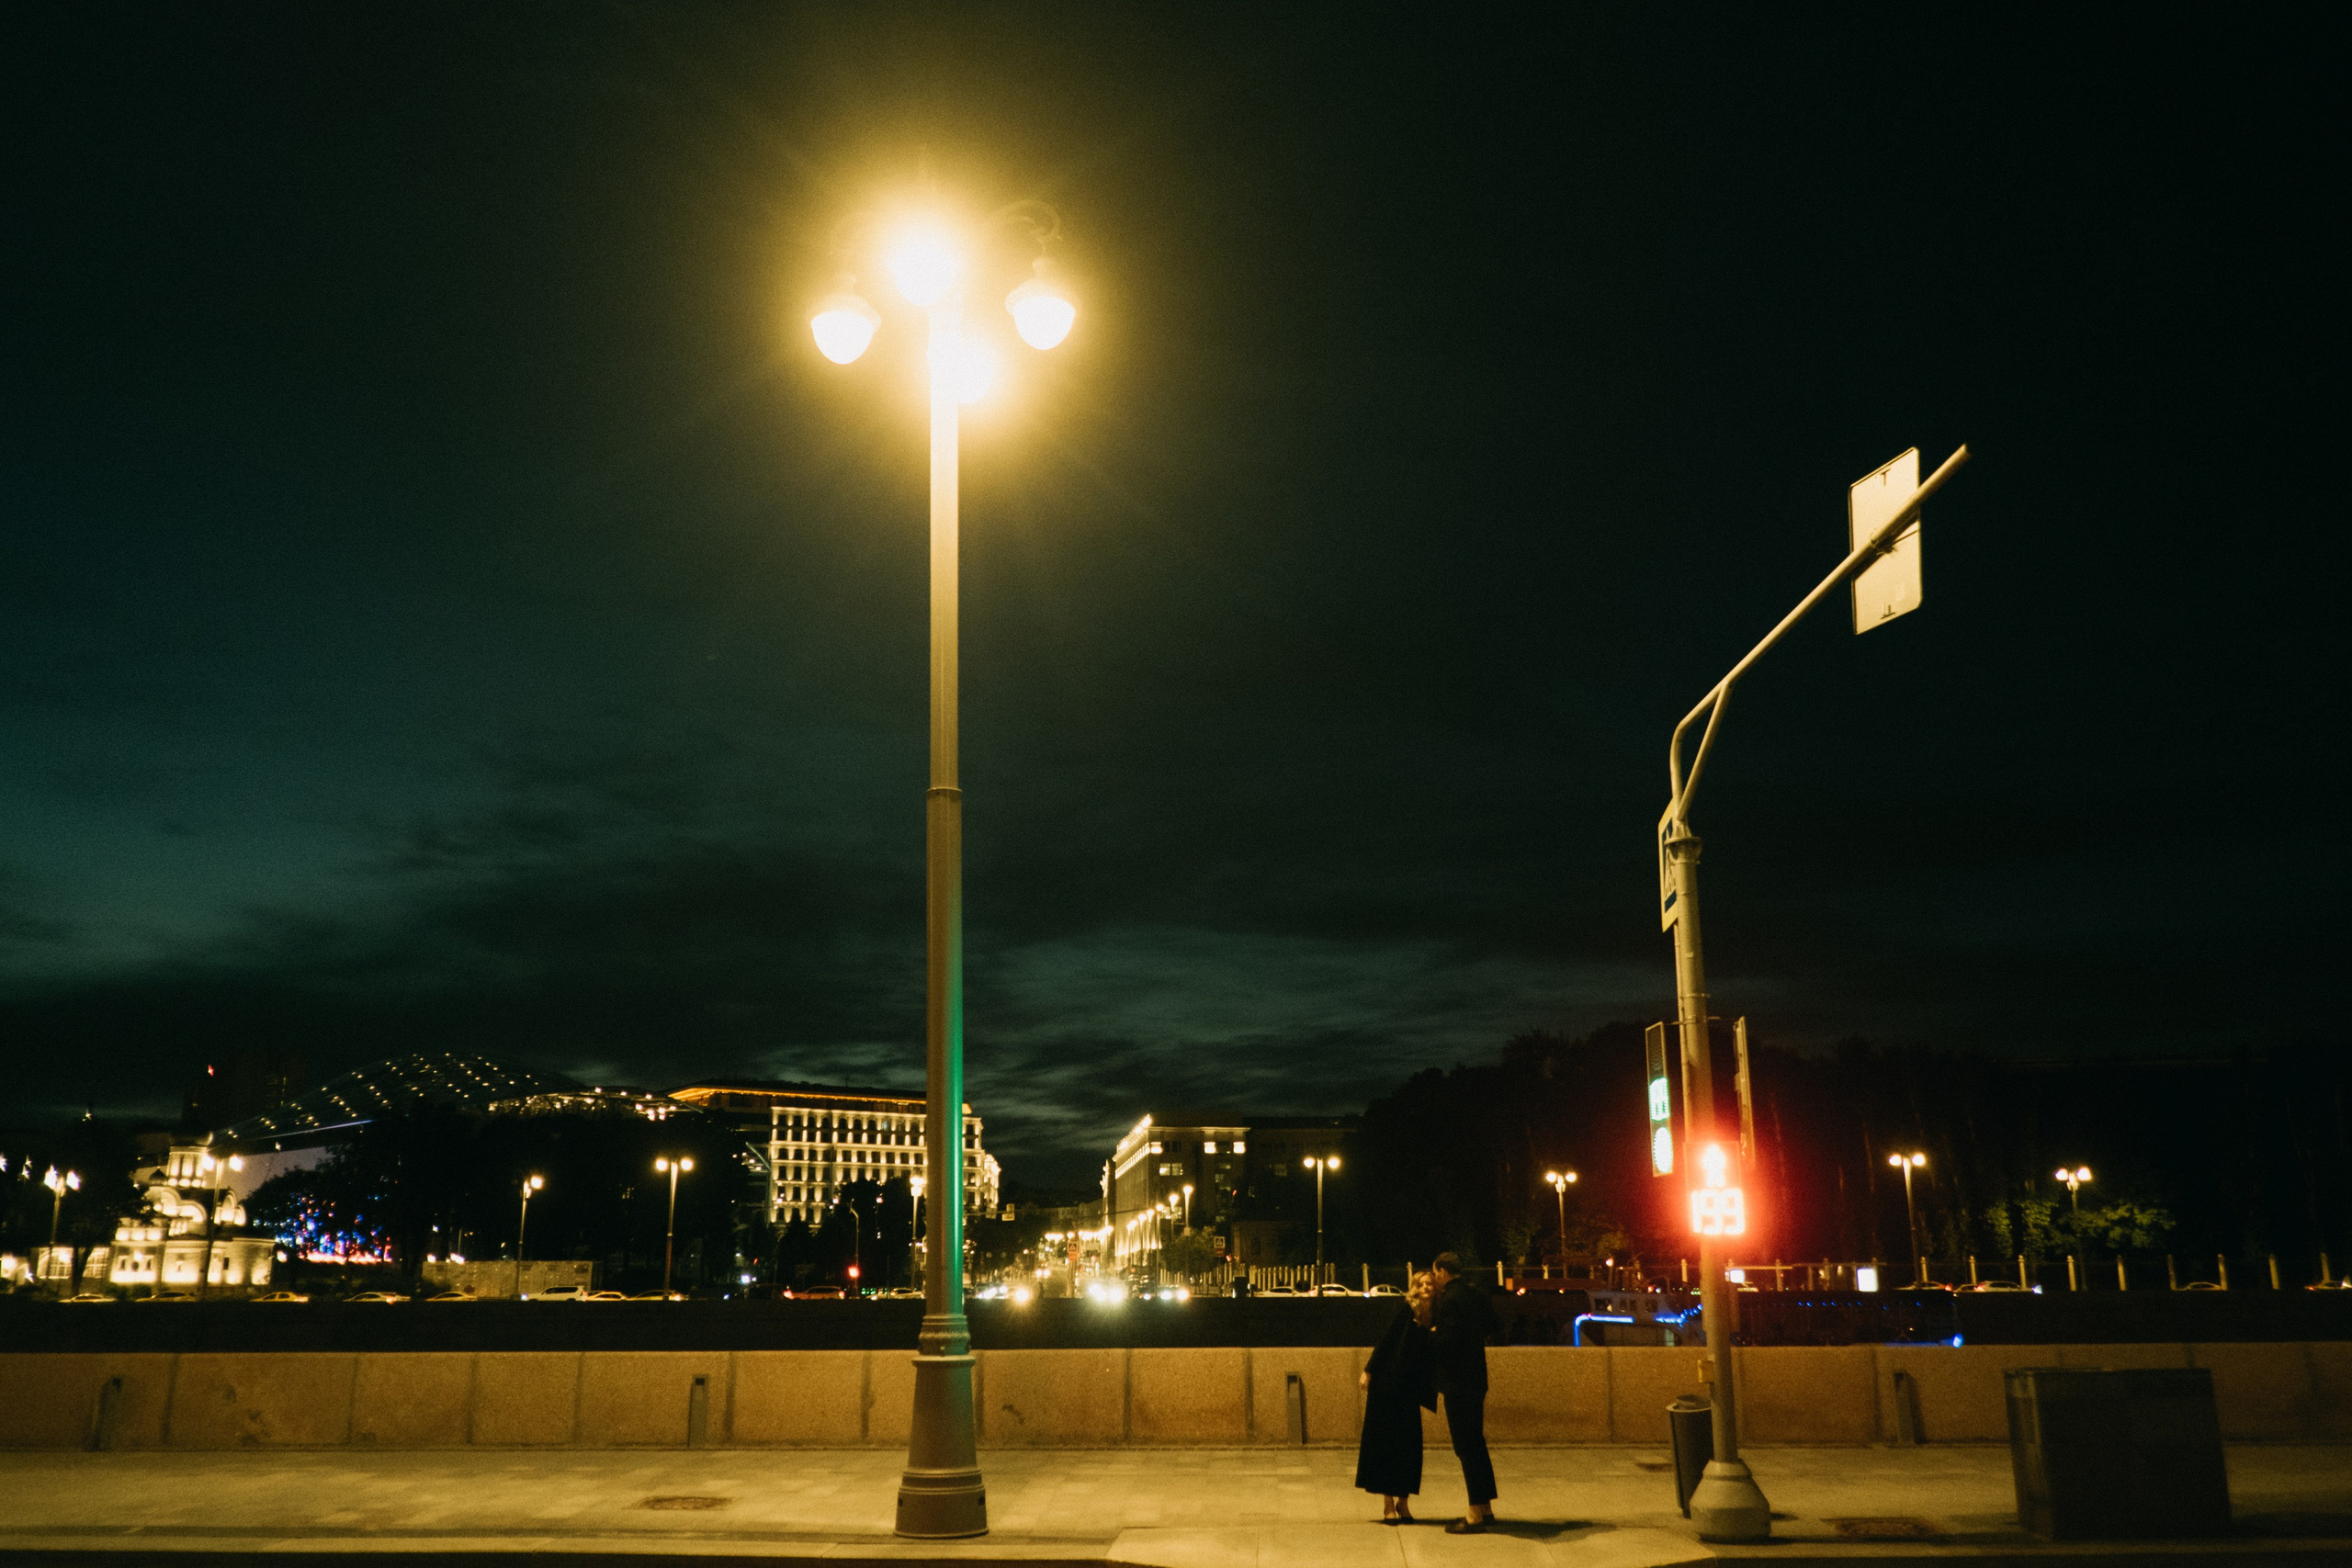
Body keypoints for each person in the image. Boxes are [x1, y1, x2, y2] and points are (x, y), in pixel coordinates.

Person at [1428, 1250, 1502, 1533]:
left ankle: (1474, 1514)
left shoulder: (1449, 1300)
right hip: (1476, 1379)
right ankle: (1485, 1506)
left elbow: (1446, 1343)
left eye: (1435, 1273)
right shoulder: (1477, 1295)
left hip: (1457, 1383)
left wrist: (1431, 1333)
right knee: (1476, 1443)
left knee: (1465, 1447)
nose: (1435, 1279)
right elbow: (1494, 1326)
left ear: (1443, 1272)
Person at [1355, 1269, 1435, 1522]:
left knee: (1408, 1446)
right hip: (1388, 1385)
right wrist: (1369, 1370)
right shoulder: (1406, 1309)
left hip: (1409, 1388)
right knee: (1387, 1444)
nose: (1426, 1288)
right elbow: (1387, 1340)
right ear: (1414, 1288)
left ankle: (1404, 1502)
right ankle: (1388, 1504)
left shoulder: (1433, 1315)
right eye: (1421, 1284)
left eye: (1430, 1284)